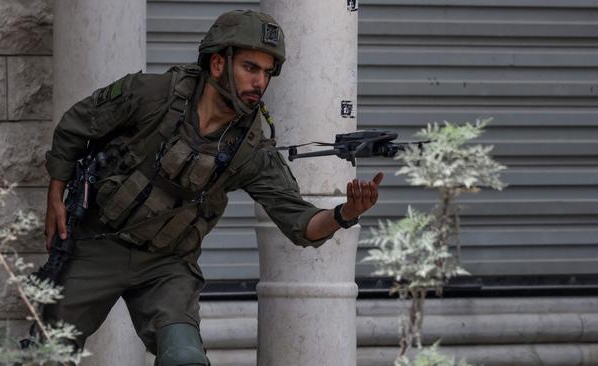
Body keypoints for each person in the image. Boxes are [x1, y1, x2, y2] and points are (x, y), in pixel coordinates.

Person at [43, 9, 383, 366]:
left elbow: (302, 225)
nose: (260, 83)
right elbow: (75, 127)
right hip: (99, 244)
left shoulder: (251, 150)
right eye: (250, 68)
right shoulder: (151, 94)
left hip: (166, 266)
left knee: (185, 359)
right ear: (218, 64)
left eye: (267, 72)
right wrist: (56, 197)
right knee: (45, 351)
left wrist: (345, 214)